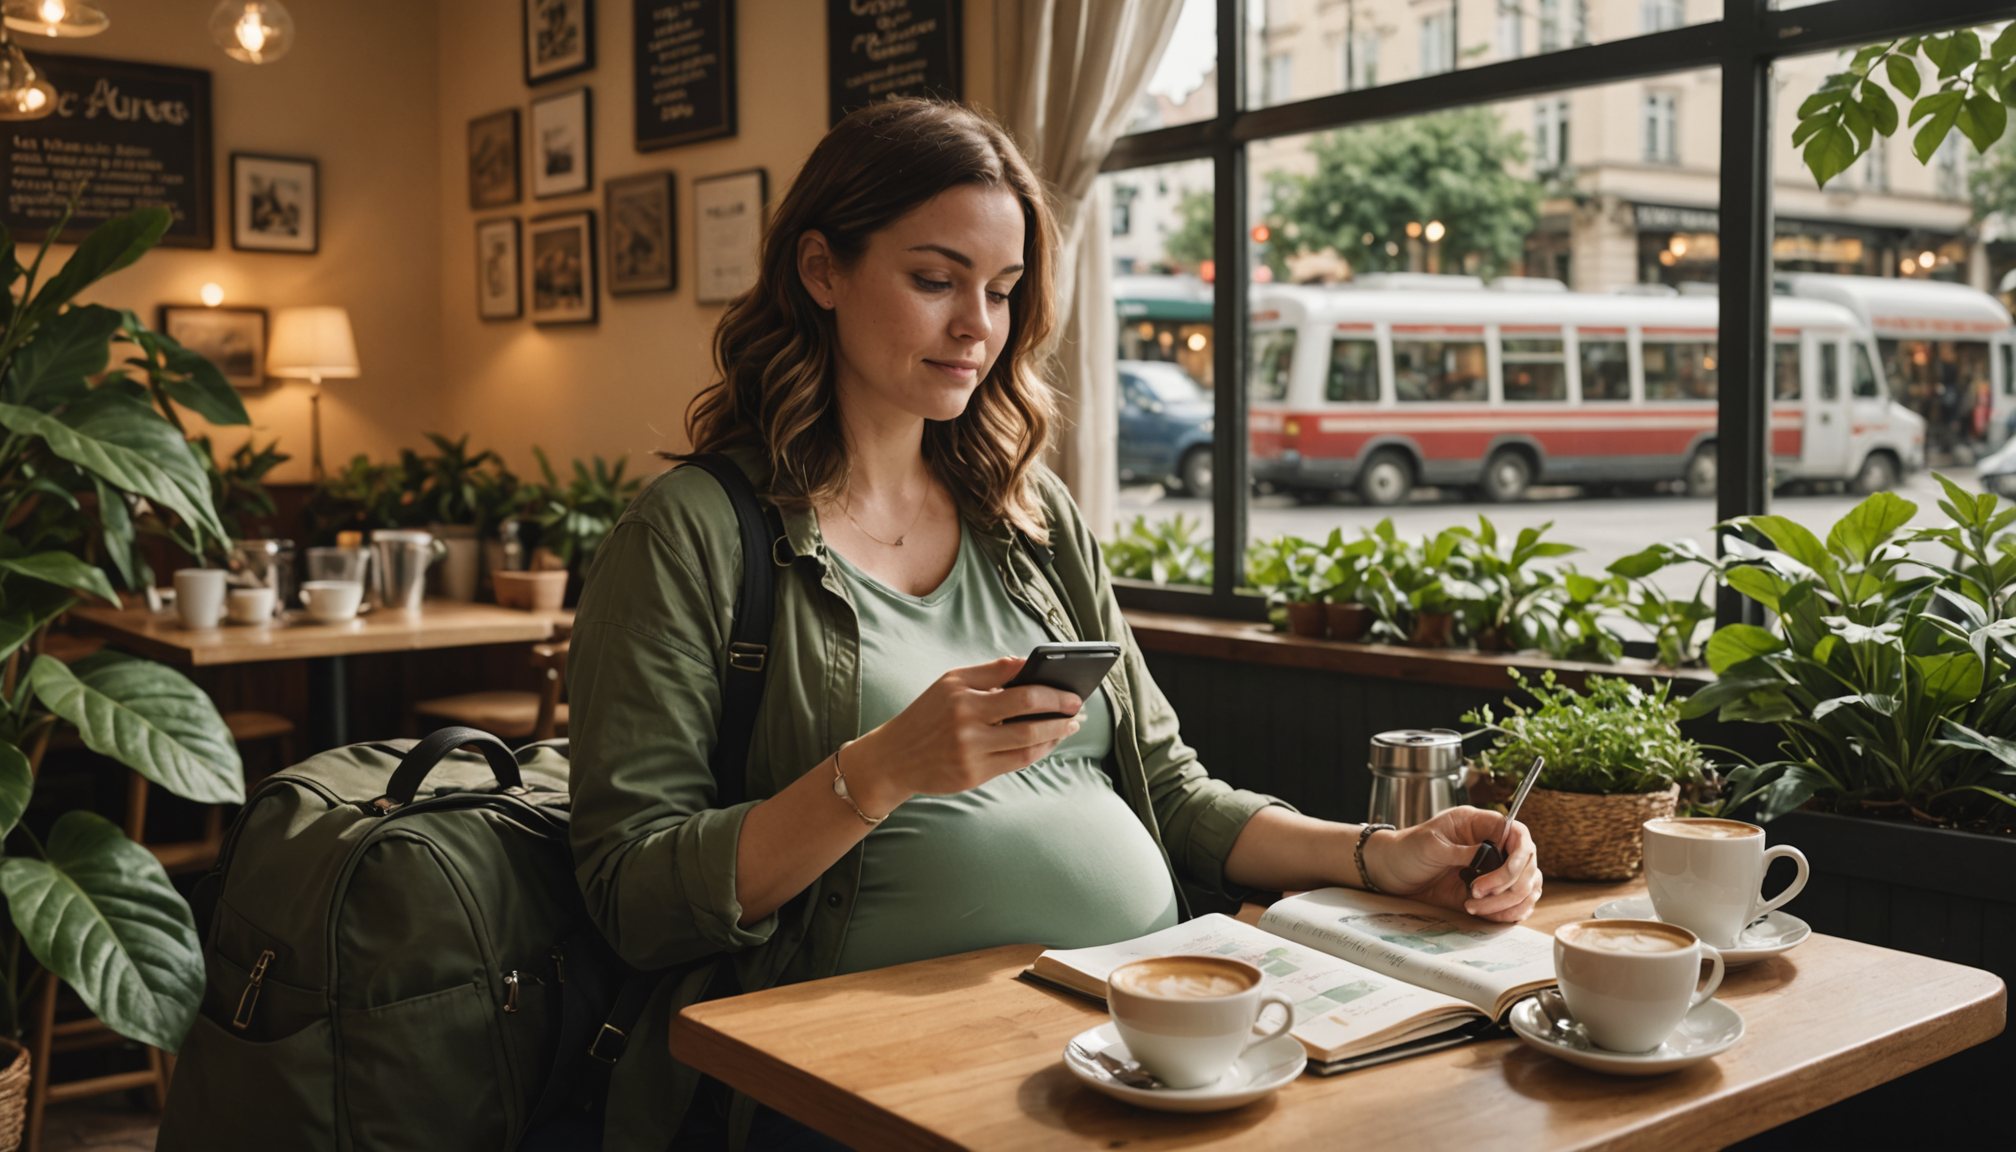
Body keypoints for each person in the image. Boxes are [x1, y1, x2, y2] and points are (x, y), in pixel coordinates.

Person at [565, 99, 1542, 1152]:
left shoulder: (1028, 517)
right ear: (821, 270)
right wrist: (878, 773)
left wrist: (1374, 855)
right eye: (935, 280)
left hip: (1137, 1034)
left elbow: (1171, 790)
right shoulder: (693, 535)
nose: (977, 326)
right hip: (854, 1073)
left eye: (1002, 289)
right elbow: (634, 894)